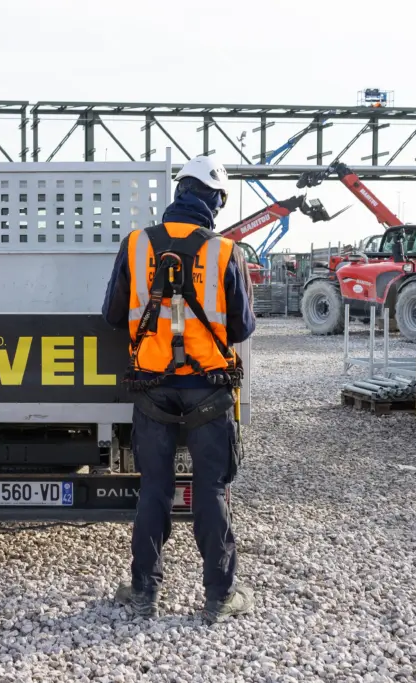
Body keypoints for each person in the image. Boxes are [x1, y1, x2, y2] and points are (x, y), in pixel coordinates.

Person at [100, 155, 257, 623]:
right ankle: (218, 597)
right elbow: (242, 327)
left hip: (152, 388)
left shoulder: (135, 245)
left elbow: (112, 315)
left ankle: (145, 593)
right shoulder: (227, 252)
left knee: (155, 490)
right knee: (209, 490)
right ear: (215, 199)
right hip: (209, 389)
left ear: (180, 193)